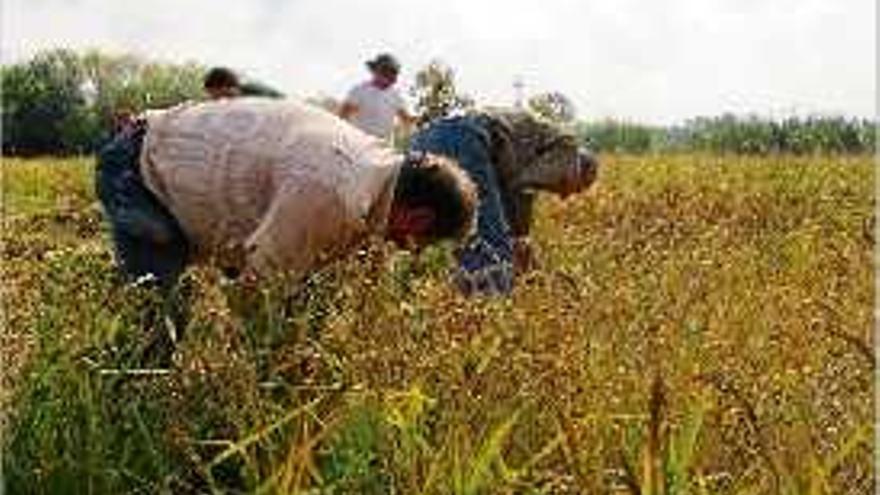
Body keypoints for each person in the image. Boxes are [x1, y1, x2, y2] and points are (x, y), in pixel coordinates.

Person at [95, 97, 477, 293]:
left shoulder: (374, 170)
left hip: (173, 154)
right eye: (422, 243)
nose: (411, 252)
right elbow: (253, 294)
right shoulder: (336, 193)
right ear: (418, 219)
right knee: (158, 324)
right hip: (140, 170)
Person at [409, 108, 599, 295]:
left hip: (426, 137)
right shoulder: (568, 153)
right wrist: (518, 246)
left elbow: (514, 193)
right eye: (576, 189)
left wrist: (521, 247)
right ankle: (487, 313)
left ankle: (418, 293)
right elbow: (522, 187)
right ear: (578, 171)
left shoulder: (539, 144)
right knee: (492, 252)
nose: (564, 196)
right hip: (464, 140)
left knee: (430, 230)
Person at [338, 53, 415, 141]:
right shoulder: (360, 90)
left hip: (381, 144)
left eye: (393, 74)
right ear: (376, 71)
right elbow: (342, 115)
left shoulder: (395, 95)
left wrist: (420, 120)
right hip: (359, 141)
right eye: (387, 73)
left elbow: (406, 118)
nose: (391, 78)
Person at [203, 66, 285, 100]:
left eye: (215, 95)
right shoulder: (240, 95)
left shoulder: (254, 93)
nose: (216, 100)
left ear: (224, 88)